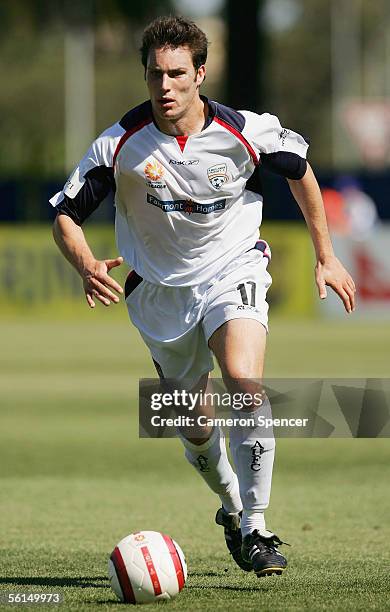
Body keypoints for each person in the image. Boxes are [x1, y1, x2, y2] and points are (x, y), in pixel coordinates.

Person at [50, 16, 355, 578]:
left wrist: (326, 255)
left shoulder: (246, 130)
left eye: (175, 74)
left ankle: (259, 527)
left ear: (200, 74)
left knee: (243, 378)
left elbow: (302, 172)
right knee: (192, 420)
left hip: (231, 266)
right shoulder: (120, 143)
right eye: (154, 75)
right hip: (158, 293)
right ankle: (233, 509)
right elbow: (65, 214)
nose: (164, 87)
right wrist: (85, 262)